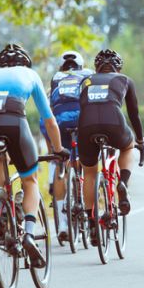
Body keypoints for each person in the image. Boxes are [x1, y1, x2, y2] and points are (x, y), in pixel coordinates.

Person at [0, 43, 68, 268]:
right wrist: (58, 149)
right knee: (30, 180)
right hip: (13, 121)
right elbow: (49, 120)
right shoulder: (30, 74)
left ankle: (1, 209)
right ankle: (28, 233)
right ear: (25, 63)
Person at [77, 49, 144, 245]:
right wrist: (139, 141)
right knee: (127, 146)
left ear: (96, 67)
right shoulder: (124, 79)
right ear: (118, 67)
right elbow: (134, 115)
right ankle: (122, 183)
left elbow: (81, 107)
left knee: (89, 173)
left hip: (86, 125)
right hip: (114, 123)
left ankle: (91, 222)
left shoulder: (86, 81)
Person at [48, 51, 94, 241]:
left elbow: (52, 104)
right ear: (81, 66)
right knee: (87, 164)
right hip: (83, 120)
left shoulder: (56, 78)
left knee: (62, 165)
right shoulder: (88, 74)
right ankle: (85, 196)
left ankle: (63, 223)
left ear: (61, 67)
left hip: (60, 121)